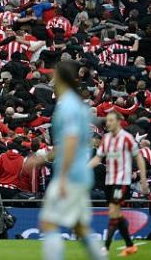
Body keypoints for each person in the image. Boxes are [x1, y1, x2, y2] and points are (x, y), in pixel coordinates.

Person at [30, 60, 104, 260]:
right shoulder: (77, 104)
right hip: (80, 172)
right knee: (80, 228)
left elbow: (70, 141)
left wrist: (60, 176)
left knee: (48, 222)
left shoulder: (67, 106)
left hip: (70, 174)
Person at [89, 111, 149, 256]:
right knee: (116, 214)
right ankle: (130, 245)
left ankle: (105, 248)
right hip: (109, 182)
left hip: (121, 181)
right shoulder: (106, 139)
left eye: (110, 120)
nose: (107, 123)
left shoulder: (127, 138)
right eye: (107, 120)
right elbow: (98, 159)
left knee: (113, 212)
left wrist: (143, 179)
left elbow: (139, 159)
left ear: (118, 121)